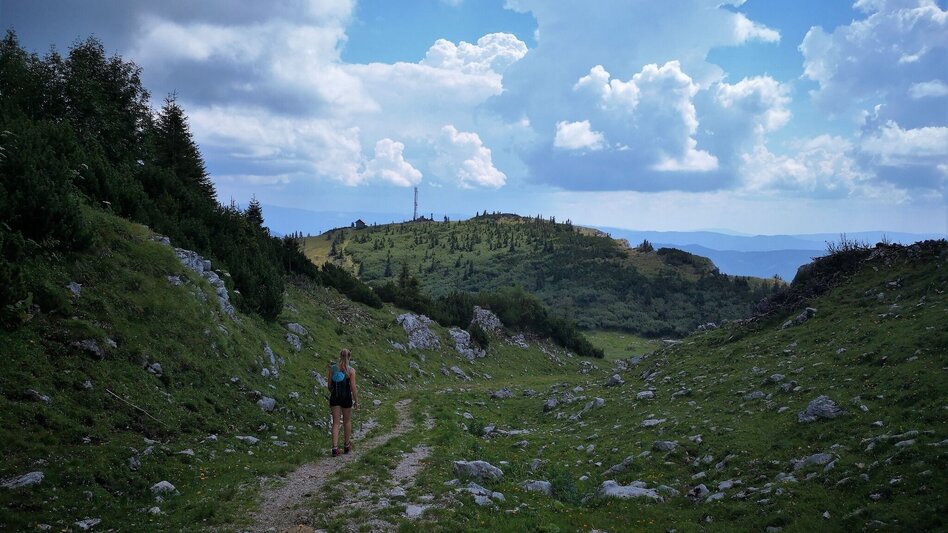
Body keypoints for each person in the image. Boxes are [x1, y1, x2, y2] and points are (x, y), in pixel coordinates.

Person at [326, 348, 358, 457]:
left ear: (340, 356)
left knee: (335, 422)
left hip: (335, 397)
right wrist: (356, 401)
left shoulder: (332, 368)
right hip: (346, 397)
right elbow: (353, 388)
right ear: (349, 357)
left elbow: (329, 386)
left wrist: (334, 392)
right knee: (347, 421)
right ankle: (346, 445)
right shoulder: (351, 370)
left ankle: (334, 448)